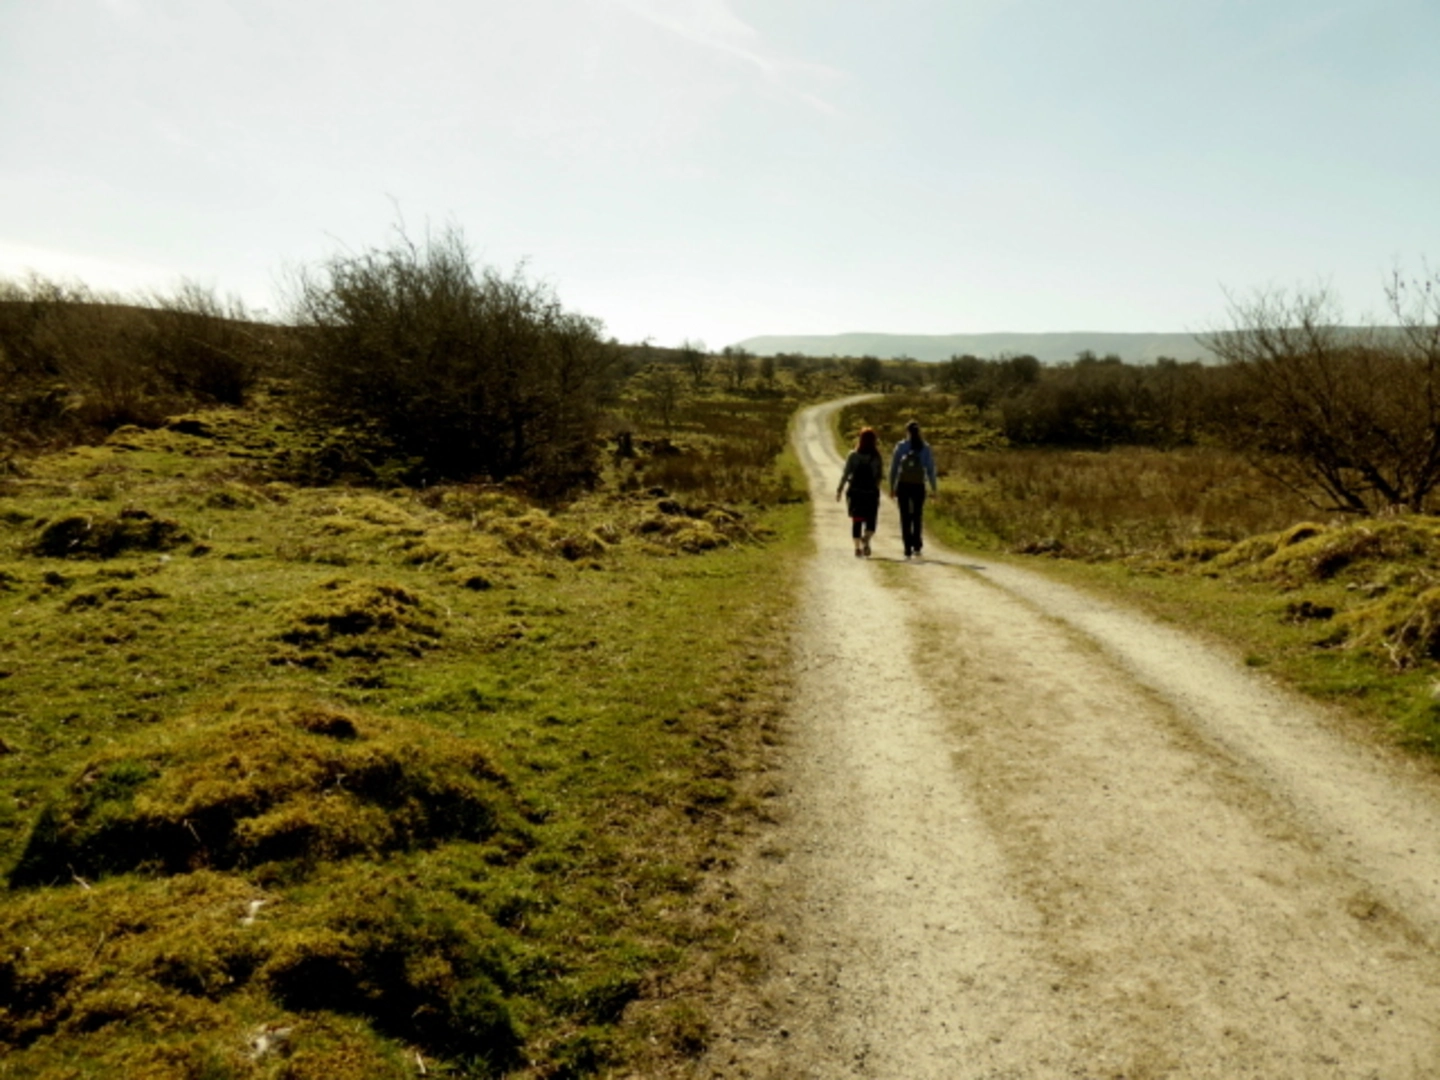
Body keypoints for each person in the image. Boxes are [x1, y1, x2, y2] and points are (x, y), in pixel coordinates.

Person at [889, 420, 938, 559]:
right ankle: (917, 545)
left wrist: (892, 487)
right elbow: (930, 470)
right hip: (919, 485)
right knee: (917, 515)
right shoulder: (925, 447)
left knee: (904, 516)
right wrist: (934, 488)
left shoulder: (900, 446)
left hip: (903, 485)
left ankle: (907, 548)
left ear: (907, 432)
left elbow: (893, 468)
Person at [836, 427, 883, 557]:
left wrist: (839, 490)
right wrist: (875, 489)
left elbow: (845, 474)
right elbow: (879, 476)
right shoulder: (876, 457)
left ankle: (857, 549)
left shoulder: (853, 455)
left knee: (857, 521)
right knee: (871, 521)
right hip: (871, 493)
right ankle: (866, 539)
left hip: (855, 492)